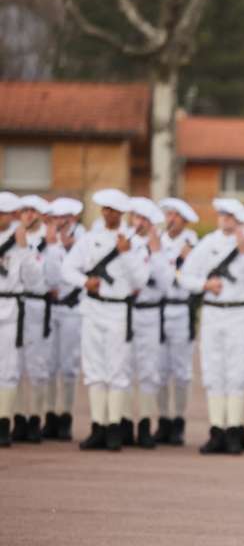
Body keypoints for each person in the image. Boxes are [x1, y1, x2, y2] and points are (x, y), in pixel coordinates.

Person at [61, 189, 149, 452]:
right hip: (93, 308)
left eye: (112, 210)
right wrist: (84, 281)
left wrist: (127, 253)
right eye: (105, 209)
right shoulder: (90, 239)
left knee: (117, 369)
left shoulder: (134, 244)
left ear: (121, 214)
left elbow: (140, 281)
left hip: (118, 309)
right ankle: (98, 426)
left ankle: (114, 429)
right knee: (94, 369)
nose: (107, 213)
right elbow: (67, 268)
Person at [179, 198, 244, 455]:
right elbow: (185, 276)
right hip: (213, 313)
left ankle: (234, 430)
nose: (224, 220)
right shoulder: (208, 244)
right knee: (213, 370)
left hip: (239, 312)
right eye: (221, 215)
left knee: (237, 371)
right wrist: (204, 285)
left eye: (229, 216)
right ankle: (217, 430)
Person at [123, 197, 170, 449]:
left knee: (148, 371)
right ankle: (123, 422)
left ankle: (144, 425)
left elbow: (165, 284)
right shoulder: (122, 244)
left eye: (144, 220)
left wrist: (157, 251)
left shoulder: (158, 248)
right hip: (125, 312)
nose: (138, 223)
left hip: (150, 313)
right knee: (124, 369)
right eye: (136, 218)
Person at [155, 197, 200, 446]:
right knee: (160, 370)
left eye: (175, 216)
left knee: (182, 371)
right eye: (168, 215)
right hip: (160, 309)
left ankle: (179, 421)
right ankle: (163, 419)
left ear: (184, 220)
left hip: (182, 310)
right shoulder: (158, 242)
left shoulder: (191, 243)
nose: (170, 220)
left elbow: (183, 279)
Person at [43, 197, 85, 441]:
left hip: (71, 308)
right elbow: (46, 277)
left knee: (68, 366)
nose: (59, 223)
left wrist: (69, 248)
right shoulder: (48, 242)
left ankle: (66, 417)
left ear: (74, 218)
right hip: (52, 308)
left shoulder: (84, 240)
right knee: (49, 365)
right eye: (56, 218)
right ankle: (49, 416)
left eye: (64, 218)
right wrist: (51, 248)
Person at [0, 191, 39, 448]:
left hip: (12, 307)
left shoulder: (23, 240)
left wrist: (23, 249)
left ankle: (3, 422)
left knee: (9, 369)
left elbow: (35, 281)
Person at [15, 195, 52, 443]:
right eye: (24, 211)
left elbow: (45, 277)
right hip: (14, 304)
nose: (28, 215)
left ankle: (35, 418)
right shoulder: (13, 239)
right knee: (12, 365)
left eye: (33, 211)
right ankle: (16, 418)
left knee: (36, 364)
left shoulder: (49, 242)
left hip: (37, 304)